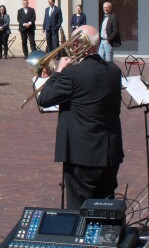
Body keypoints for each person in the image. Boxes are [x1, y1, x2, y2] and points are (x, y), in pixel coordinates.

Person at [37, 25, 124, 209]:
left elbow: (44, 99)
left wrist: (58, 72)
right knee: (106, 208)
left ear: (77, 44)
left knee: (79, 209)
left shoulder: (71, 74)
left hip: (81, 154)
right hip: (109, 152)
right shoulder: (114, 71)